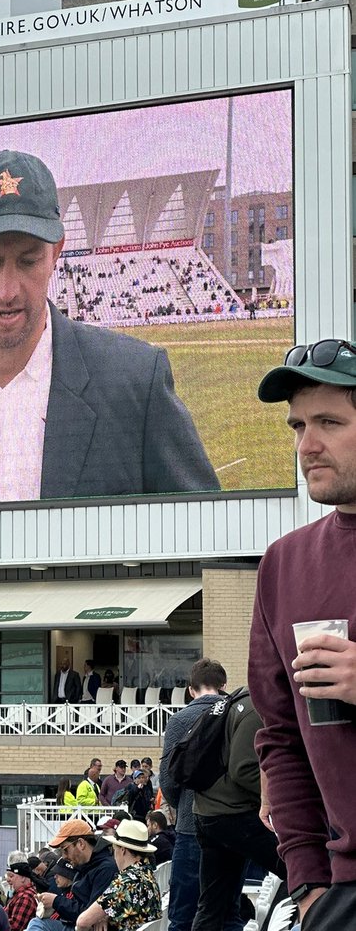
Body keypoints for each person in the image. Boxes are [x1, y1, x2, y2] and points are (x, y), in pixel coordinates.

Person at [0, 149, 218, 508]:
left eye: (28, 260)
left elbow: (209, 533)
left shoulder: (135, 380)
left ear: (56, 254)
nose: (8, 291)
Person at [249, 339, 356, 929]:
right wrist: (309, 882)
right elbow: (281, 737)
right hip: (339, 893)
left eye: (329, 423)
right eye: (298, 425)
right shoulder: (285, 564)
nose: (306, 445)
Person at [190, 687, 286, 930]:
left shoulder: (240, 702)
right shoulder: (256, 709)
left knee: (213, 905)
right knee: (299, 867)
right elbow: (243, 769)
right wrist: (285, 793)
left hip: (208, 812)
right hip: (230, 814)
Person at [159, 658, 229, 931]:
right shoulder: (234, 714)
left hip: (190, 824)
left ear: (190, 689)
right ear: (223, 686)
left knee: (183, 915)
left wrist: (182, 805)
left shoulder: (179, 720)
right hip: (229, 824)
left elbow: (168, 779)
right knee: (227, 912)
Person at [28, 818, 117, 930]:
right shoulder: (87, 865)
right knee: (36, 923)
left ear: (81, 843)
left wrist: (56, 901)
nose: (64, 856)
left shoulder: (105, 869)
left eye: (65, 850)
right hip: (74, 924)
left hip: (81, 926)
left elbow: (89, 915)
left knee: (38, 924)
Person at [74, 821, 161, 931]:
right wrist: (105, 916)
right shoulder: (148, 874)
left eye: (114, 849)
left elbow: (82, 922)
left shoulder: (125, 881)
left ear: (123, 850)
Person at [4, 863, 38, 931]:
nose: (8, 880)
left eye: (11, 876)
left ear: (23, 878)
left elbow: (15, 926)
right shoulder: (21, 894)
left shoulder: (25, 897)